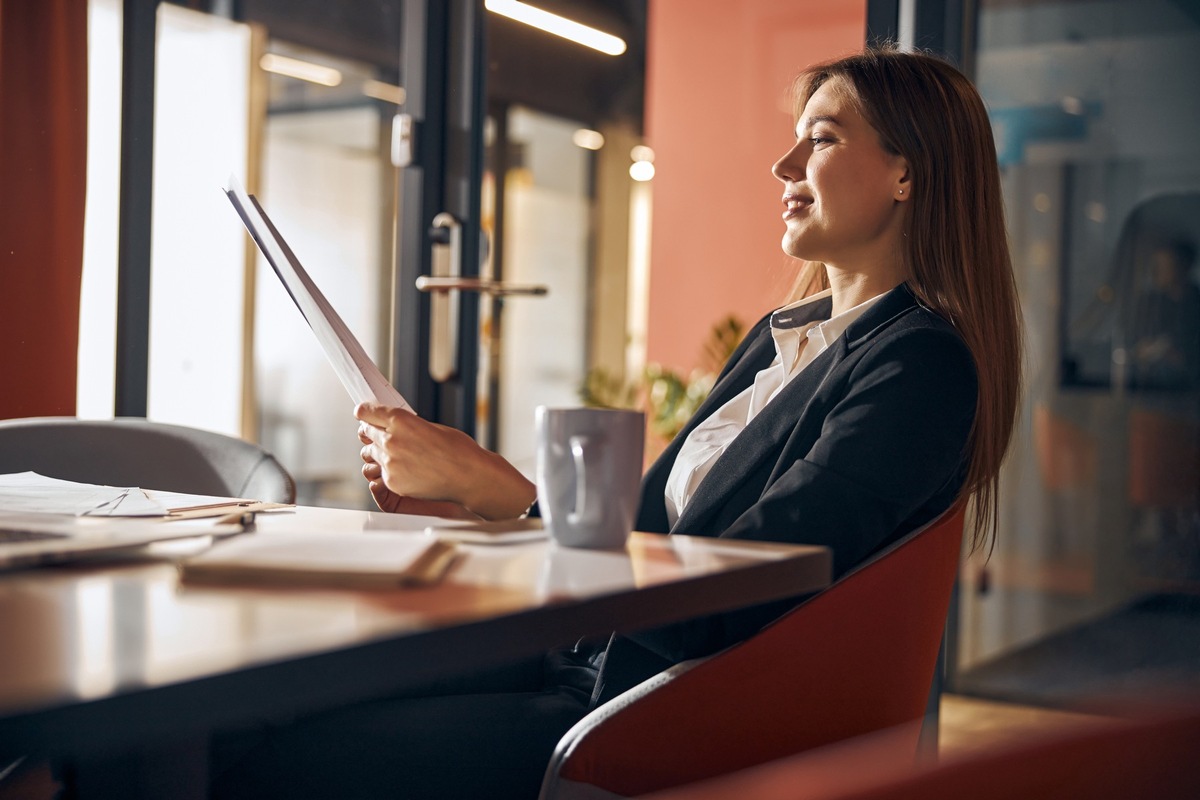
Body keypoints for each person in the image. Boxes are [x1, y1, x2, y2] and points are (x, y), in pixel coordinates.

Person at [212, 46, 1023, 799]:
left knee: (275, 759)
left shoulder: (920, 366)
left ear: (907, 175)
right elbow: (645, 532)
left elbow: (740, 586)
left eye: (820, 139)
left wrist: (498, 489)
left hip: (651, 709)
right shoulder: (785, 340)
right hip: (587, 664)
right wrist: (487, 497)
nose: (782, 166)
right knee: (246, 705)